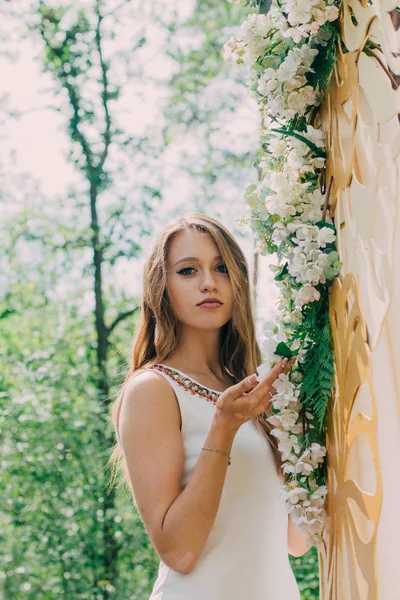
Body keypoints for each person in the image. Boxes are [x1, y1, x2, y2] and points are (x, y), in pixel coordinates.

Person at [109, 212, 309, 599]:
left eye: (221, 267)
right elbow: (179, 552)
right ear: (160, 287)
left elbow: (296, 540)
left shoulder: (255, 392)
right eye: (188, 270)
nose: (208, 283)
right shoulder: (153, 390)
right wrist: (223, 425)